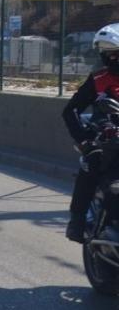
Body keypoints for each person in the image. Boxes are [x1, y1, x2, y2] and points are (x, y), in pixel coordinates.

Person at [61, 23, 119, 243]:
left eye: (115, 54)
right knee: (92, 159)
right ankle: (76, 220)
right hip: (107, 136)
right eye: (107, 54)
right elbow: (71, 111)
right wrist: (84, 141)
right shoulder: (99, 79)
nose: (110, 59)